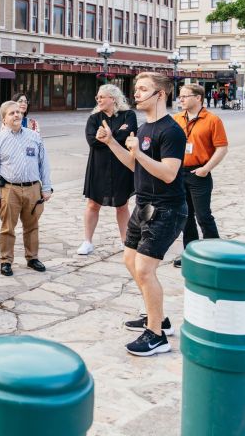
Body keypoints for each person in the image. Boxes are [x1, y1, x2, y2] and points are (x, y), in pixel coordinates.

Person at [97, 72, 187, 357]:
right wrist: (112, 143)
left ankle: (157, 336)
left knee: (146, 270)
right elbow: (135, 165)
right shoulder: (146, 127)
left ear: (160, 94)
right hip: (143, 205)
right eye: (136, 89)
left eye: (143, 89)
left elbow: (170, 174)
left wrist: (139, 152)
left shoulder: (171, 131)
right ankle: (157, 317)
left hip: (166, 209)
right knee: (130, 260)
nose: (136, 93)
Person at [0, 101, 53, 276]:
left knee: (32, 226)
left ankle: (32, 258)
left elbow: (44, 164)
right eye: (11, 113)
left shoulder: (34, 137)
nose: (16, 115)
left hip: (33, 189)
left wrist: (46, 188)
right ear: (3, 119)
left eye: (18, 112)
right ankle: (6, 261)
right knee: (8, 227)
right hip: (9, 190)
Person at [173, 83, 229, 268]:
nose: (180, 99)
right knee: (185, 216)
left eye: (184, 96)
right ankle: (191, 253)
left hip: (200, 173)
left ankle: (214, 253)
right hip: (179, 173)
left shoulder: (212, 120)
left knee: (203, 216)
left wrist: (206, 168)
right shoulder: (177, 119)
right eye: (179, 96)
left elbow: (222, 148)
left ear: (198, 98)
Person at [79, 84, 137, 255]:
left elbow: (130, 134)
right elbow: (92, 141)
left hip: (122, 166)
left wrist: (109, 137)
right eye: (97, 97)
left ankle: (125, 241)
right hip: (98, 167)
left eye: (102, 97)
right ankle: (87, 241)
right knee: (92, 204)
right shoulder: (94, 118)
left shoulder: (129, 115)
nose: (98, 100)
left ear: (113, 98)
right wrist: (115, 136)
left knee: (122, 205)